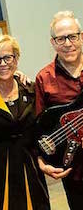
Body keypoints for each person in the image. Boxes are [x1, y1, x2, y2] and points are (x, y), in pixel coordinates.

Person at [0, 34, 50, 210]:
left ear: (16, 59)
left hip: (31, 168)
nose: (3, 64)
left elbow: (44, 126)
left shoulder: (31, 90)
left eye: (8, 57)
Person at [35, 11, 83, 210]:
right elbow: (38, 127)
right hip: (75, 171)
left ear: (81, 37)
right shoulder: (44, 78)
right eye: (61, 38)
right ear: (53, 43)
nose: (68, 43)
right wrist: (41, 160)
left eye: (72, 36)